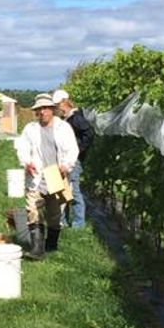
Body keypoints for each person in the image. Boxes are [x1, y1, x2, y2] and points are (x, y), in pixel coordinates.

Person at [15, 93, 78, 259]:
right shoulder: (30, 129)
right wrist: (26, 162)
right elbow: (22, 147)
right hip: (37, 176)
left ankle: (51, 244)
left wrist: (66, 165)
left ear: (52, 109)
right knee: (33, 210)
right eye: (39, 109)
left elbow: (72, 150)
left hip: (56, 176)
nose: (42, 112)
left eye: (45, 108)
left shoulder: (63, 128)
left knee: (54, 214)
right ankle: (37, 249)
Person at [52, 89, 93, 228]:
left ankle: (79, 223)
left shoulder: (77, 119)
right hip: (64, 159)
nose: (57, 109)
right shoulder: (67, 119)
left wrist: (77, 150)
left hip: (74, 160)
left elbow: (89, 134)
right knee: (62, 189)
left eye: (58, 105)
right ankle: (63, 220)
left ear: (64, 103)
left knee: (74, 190)